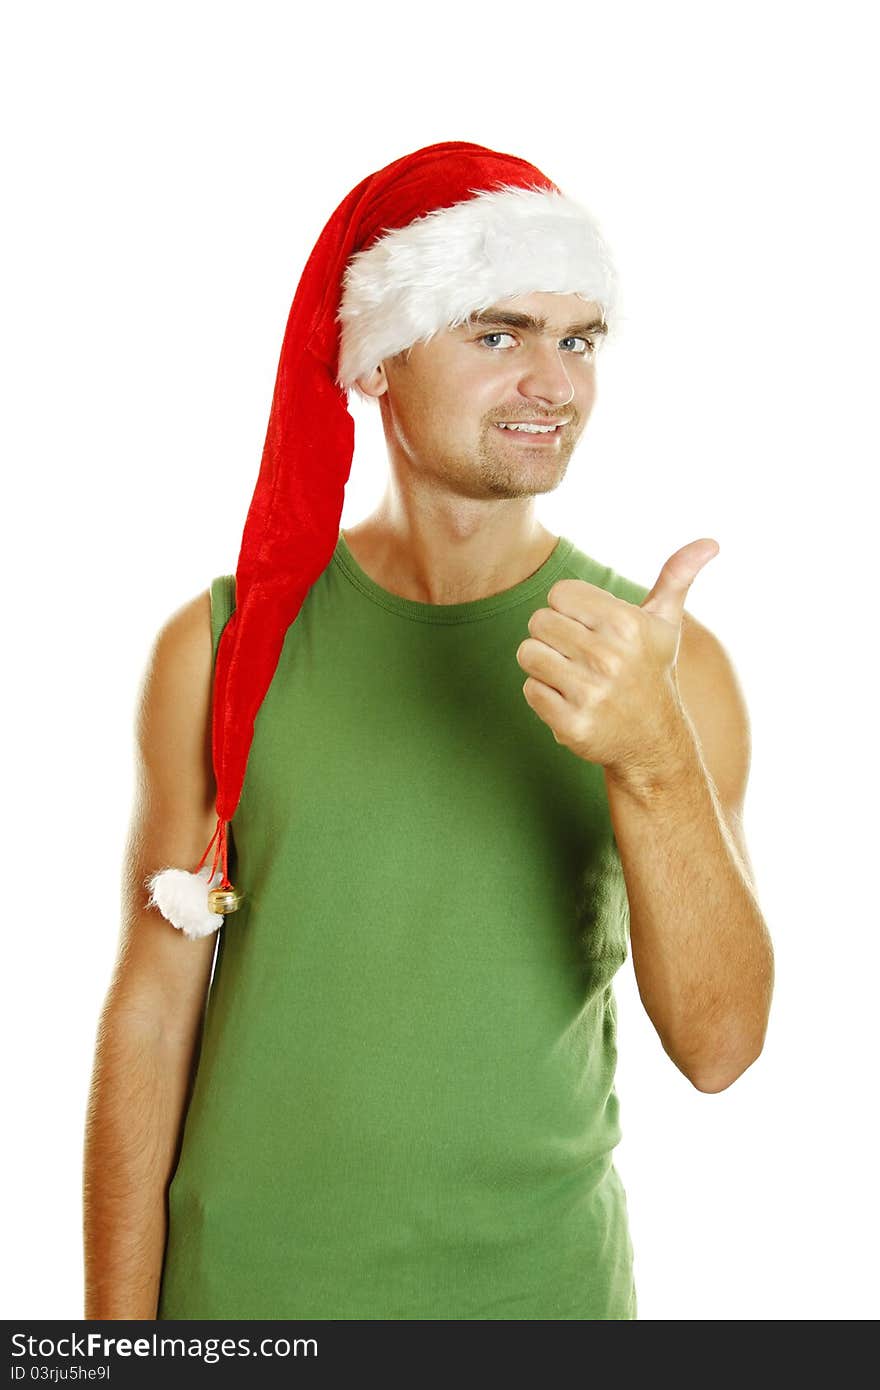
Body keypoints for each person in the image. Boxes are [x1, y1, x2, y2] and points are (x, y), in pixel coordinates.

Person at [82, 141, 774, 1321]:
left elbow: (719, 1048)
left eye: (577, 339)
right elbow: (151, 1008)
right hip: (245, 1308)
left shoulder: (662, 667)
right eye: (497, 334)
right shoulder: (217, 647)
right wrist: (112, 1342)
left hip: (538, 1306)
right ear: (379, 360)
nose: (550, 381)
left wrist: (653, 753)